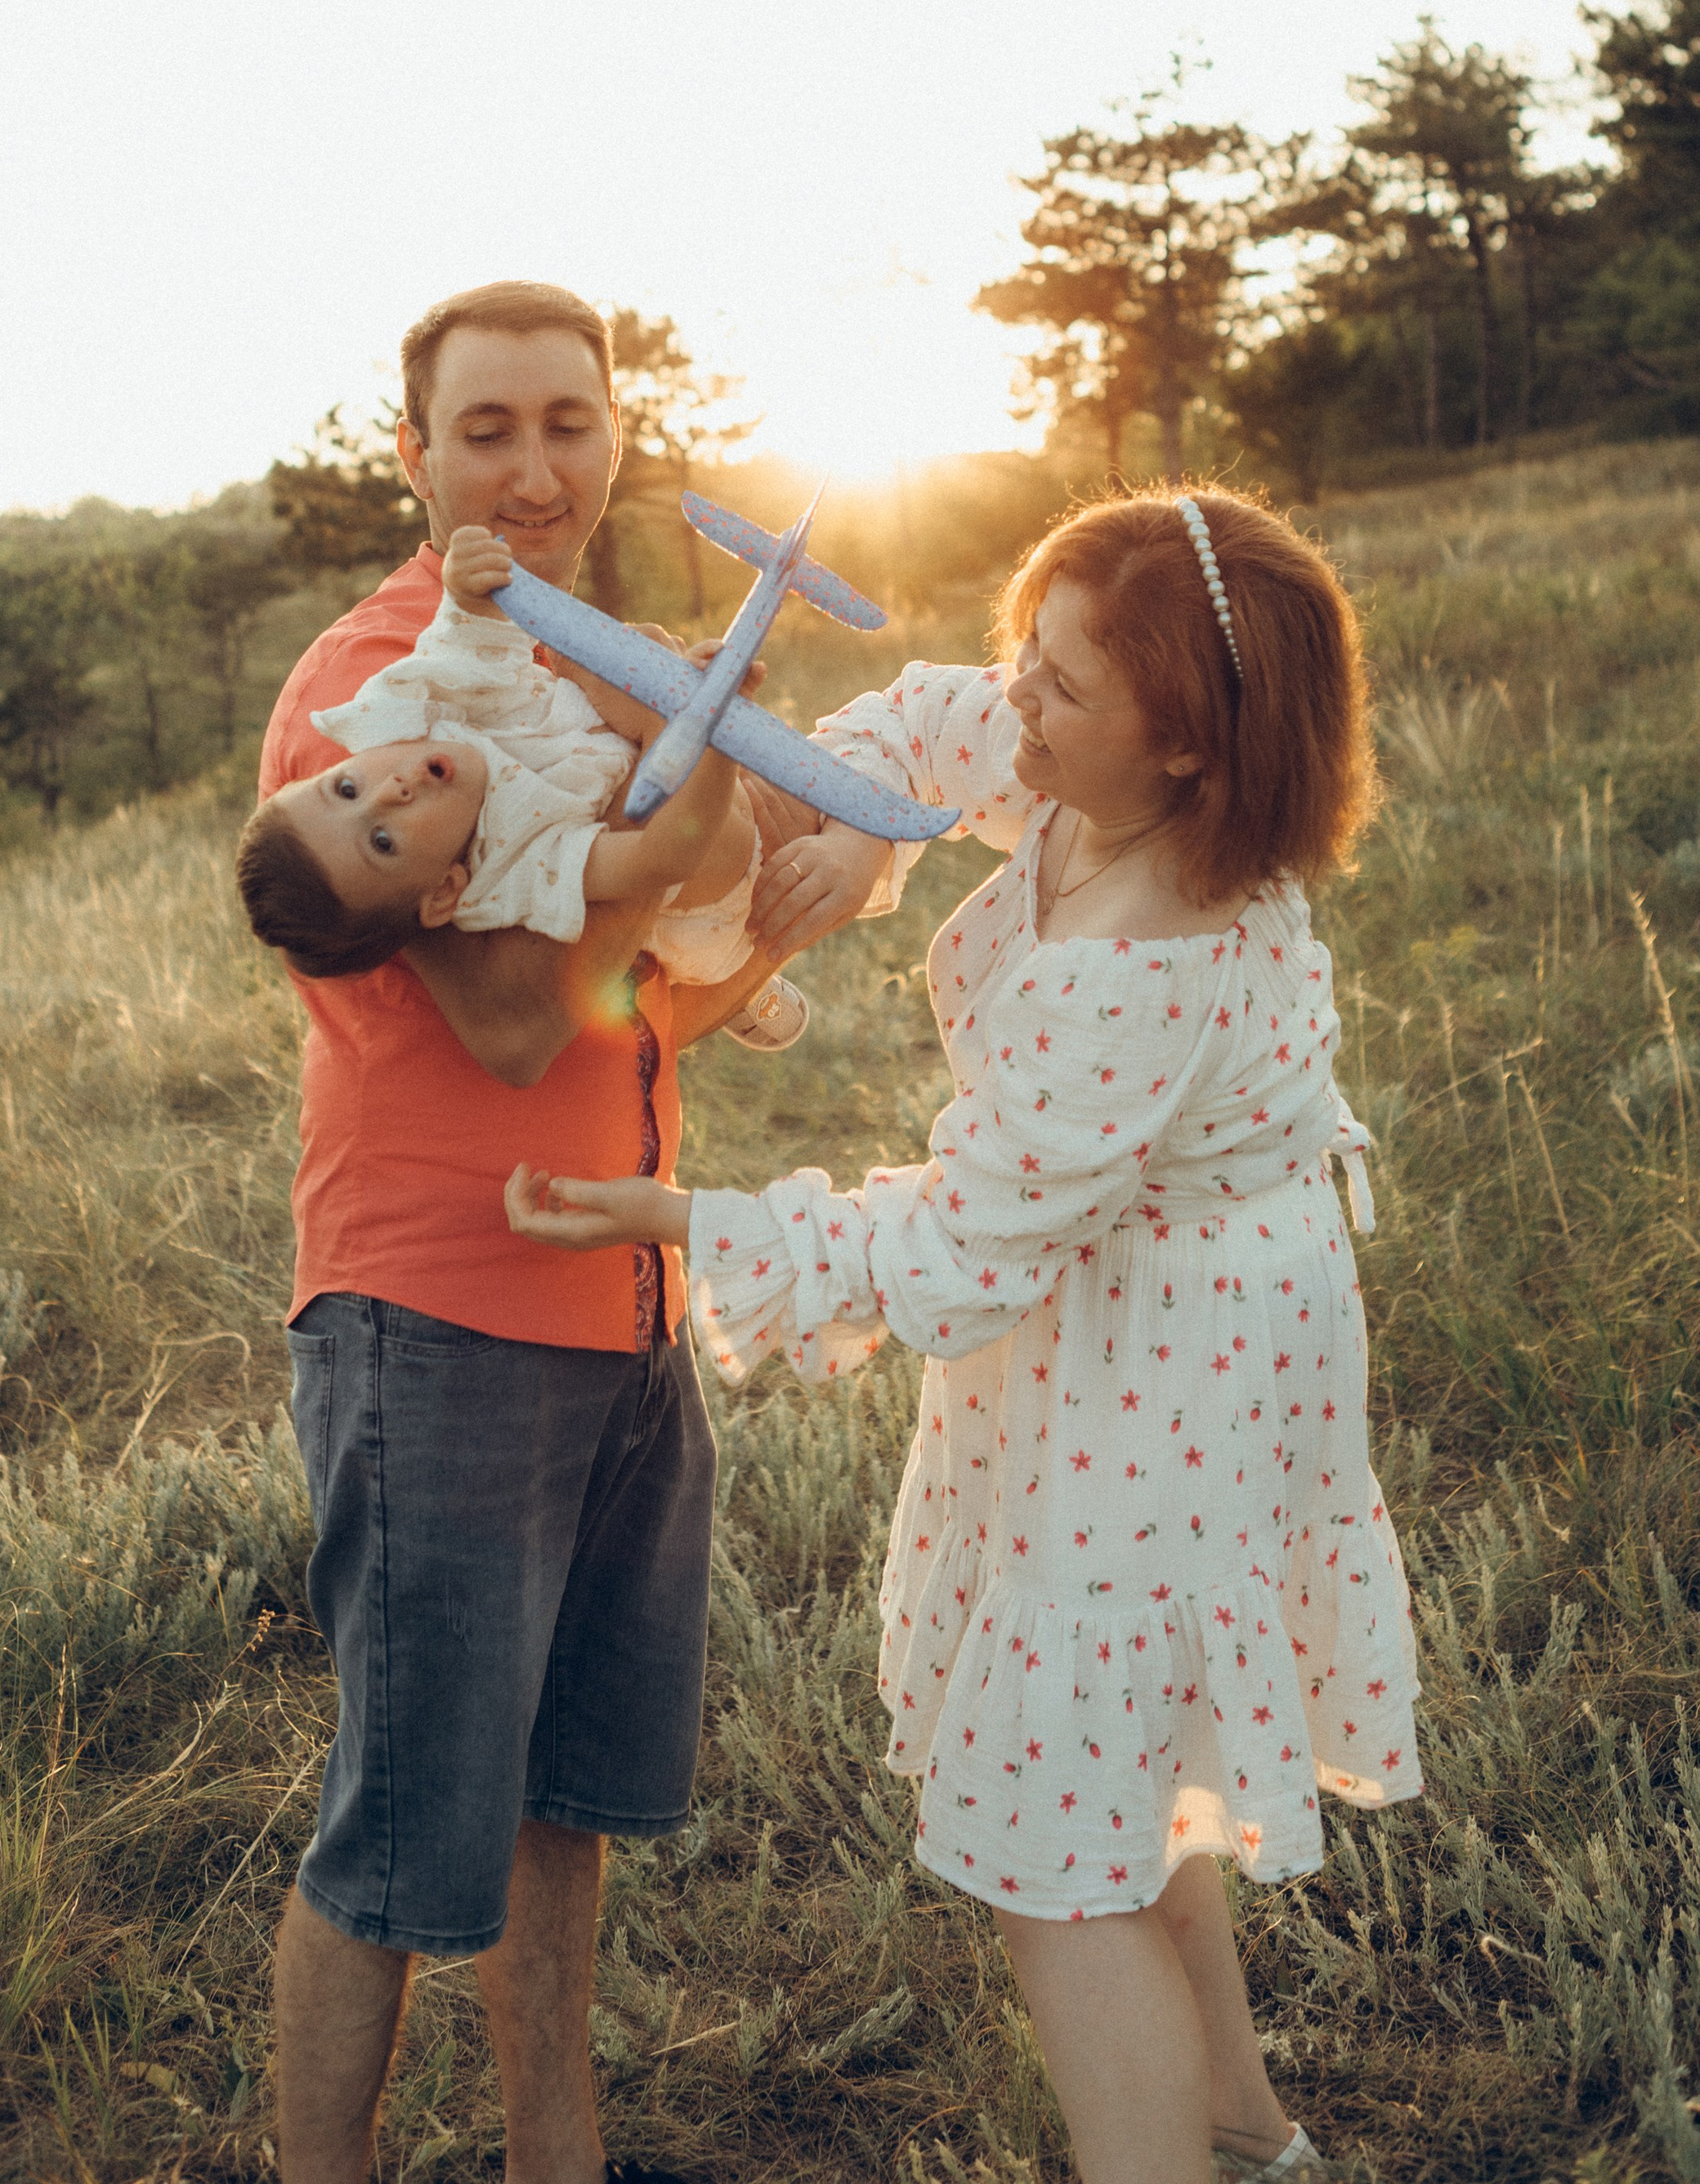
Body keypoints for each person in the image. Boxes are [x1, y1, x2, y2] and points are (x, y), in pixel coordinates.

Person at [507, 486, 1421, 2184]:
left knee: (1048, 1849)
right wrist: (873, 826)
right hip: (1135, 1317)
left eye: (1065, 689)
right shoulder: (1091, 784)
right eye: (1032, 649)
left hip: (1175, 1354)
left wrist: (692, 1223)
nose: (1020, 702)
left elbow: (959, 1244)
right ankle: (1244, 2131)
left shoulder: (1143, 963)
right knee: (1128, 1751)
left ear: (1192, 757)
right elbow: (930, 714)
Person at [261, 281, 782, 2184]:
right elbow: (496, 1020)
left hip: (620, 1297)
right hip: (437, 1318)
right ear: (415, 457)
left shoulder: (614, 660)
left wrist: (765, 912)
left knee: (559, 1802)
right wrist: (693, 803)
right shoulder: (383, 695)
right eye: (487, 427)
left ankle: (549, 2163)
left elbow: (627, 1009)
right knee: (405, 1840)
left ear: (617, 435)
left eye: (570, 419)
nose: (536, 463)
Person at [236, 522, 764, 987]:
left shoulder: (414, 712)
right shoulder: (516, 867)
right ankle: (737, 989)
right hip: (710, 920)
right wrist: (712, 731)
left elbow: (470, 630)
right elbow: (662, 858)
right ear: (444, 892)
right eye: (382, 840)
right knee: (697, 945)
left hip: (660, 765)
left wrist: (465, 580)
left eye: (346, 788)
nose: (388, 791)